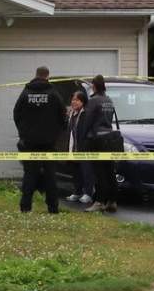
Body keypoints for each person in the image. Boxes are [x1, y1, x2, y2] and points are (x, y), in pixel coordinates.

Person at [13, 66, 66, 213]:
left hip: (29, 143)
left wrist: (23, 133)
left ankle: (25, 207)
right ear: (47, 76)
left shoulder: (26, 93)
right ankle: (53, 208)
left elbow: (16, 114)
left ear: (35, 75)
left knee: (29, 174)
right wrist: (56, 135)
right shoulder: (54, 94)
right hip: (49, 143)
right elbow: (63, 116)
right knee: (50, 176)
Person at [84, 74, 121, 213]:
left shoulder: (93, 101)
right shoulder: (108, 100)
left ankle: (99, 201)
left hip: (97, 140)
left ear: (94, 86)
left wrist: (83, 138)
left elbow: (87, 121)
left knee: (99, 173)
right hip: (109, 139)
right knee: (109, 171)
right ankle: (112, 201)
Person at [65, 90, 94, 205]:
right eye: (73, 100)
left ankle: (88, 193)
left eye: (77, 100)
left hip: (84, 148)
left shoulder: (86, 114)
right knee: (75, 171)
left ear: (83, 101)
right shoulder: (71, 113)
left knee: (86, 171)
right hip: (73, 147)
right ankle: (77, 192)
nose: (74, 102)